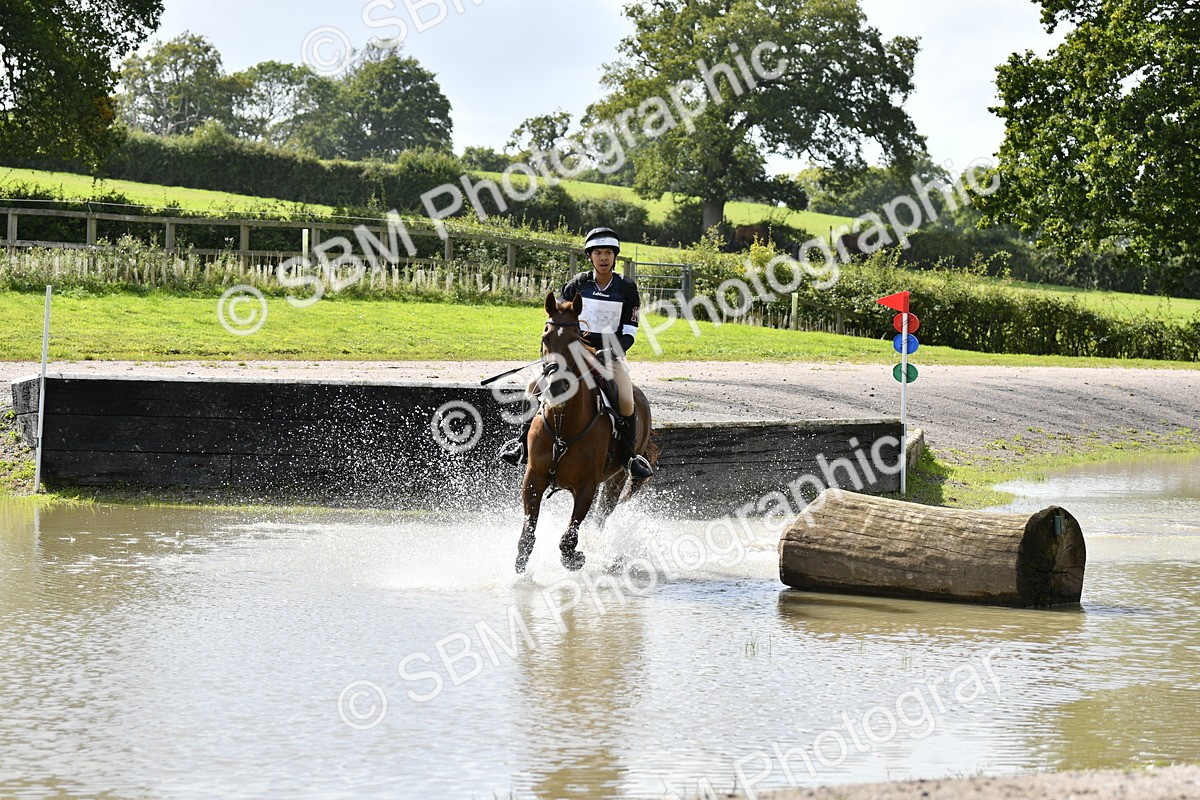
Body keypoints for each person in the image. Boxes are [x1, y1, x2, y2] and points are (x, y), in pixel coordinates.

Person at [498, 227, 654, 479]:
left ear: (615, 256)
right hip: (573, 355)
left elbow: (629, 331)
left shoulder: (627, 288)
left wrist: (610, 351)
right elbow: (558, 321)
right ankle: (520, 445)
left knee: (626, 399)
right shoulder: (576, 285)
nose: (603, 258)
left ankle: (630, 457)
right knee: (532, 386)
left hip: (608, 357)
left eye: (608, 253)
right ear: (589, 257)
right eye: (598, 253)